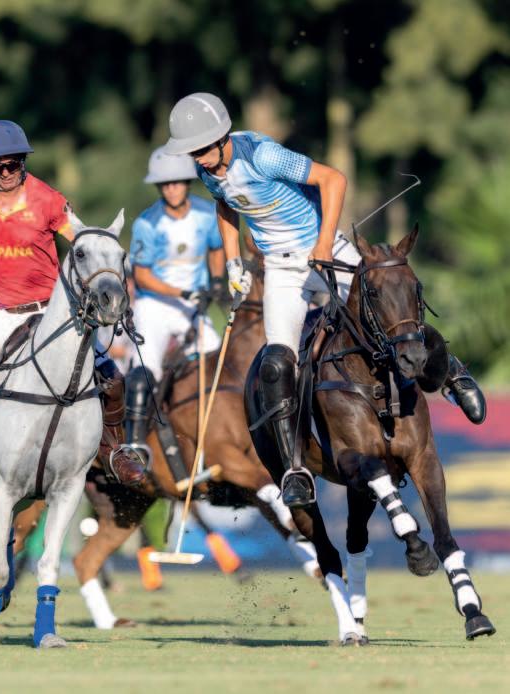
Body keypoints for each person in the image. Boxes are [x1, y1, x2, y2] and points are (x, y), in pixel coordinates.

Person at [164, 92, 486, 507]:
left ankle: (452, 373)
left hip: (325, 250)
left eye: (202, 149)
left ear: (222, 137)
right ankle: (295, 469)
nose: (198, 159)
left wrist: (322, 243)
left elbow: (333, 179)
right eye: (192, 153)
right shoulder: (208, 170)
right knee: (276, 364)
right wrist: (232, 263)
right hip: (281, 270)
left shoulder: (263, 156)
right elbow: (225, 207)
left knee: (389, 309)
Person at [0, 120, 145, 489]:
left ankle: (114, 450)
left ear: (23, 162)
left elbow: (83, 243)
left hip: (47, 313)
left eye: (13, 164)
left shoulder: (47, 198)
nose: (6, 172)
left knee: (111, 376)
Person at [125, 147, 224, 459]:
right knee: (144, 372)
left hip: (193, 307)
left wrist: (217, 280)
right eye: (164, 184)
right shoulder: (147, 223)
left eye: (177, 182)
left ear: (187, 183)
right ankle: (135, 446)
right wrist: (181, 293)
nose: (171, 189)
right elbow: (142, 276)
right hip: (154, 306)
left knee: (219, 362)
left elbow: (217, 248)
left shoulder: (206, 213)